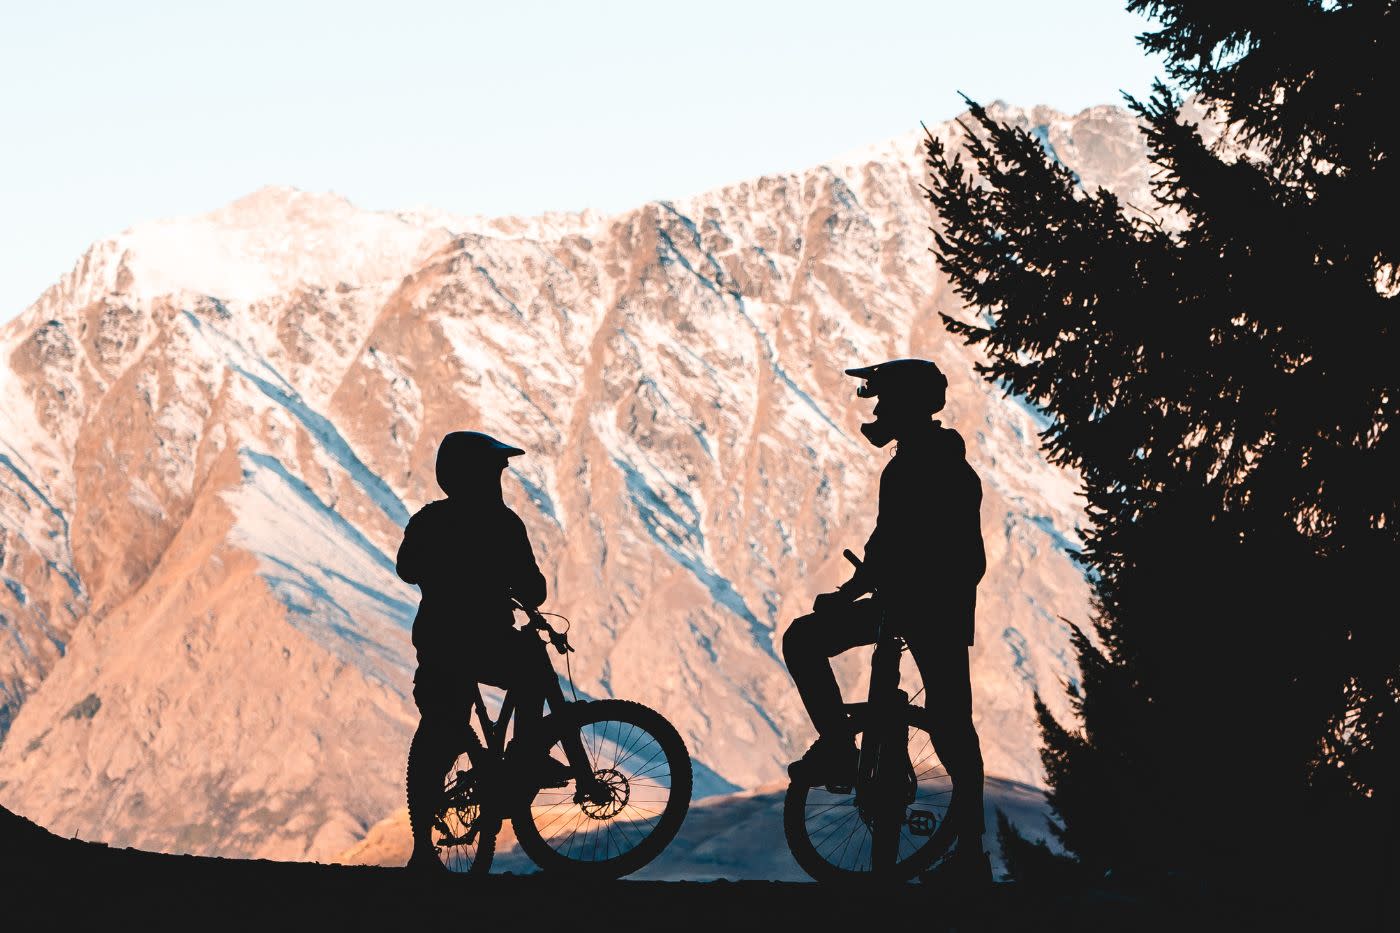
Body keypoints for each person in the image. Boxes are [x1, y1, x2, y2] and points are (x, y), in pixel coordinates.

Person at [782, 358, 991, 884]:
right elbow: (888, 545)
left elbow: (905, 548)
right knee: (951, 727)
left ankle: (838, 751)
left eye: (884, 402)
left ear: (905, 406)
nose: (877, 411)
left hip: (928, 611)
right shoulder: (925, 463)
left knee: (805, 641)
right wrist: (856, 589)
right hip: (924, 609)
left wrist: (857, 591)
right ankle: (968, 850)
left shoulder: (923, 468)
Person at [397, 430, 565, 872]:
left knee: (439, 731)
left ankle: (423, 849)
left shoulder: (428, 520)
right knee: (531, 670)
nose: (500, 477)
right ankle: (528, 754)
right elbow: (534, 589)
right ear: (475, 475)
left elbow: (406, 568)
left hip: (437, 641)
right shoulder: (503, 524)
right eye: (495, 470)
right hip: (486, 640)